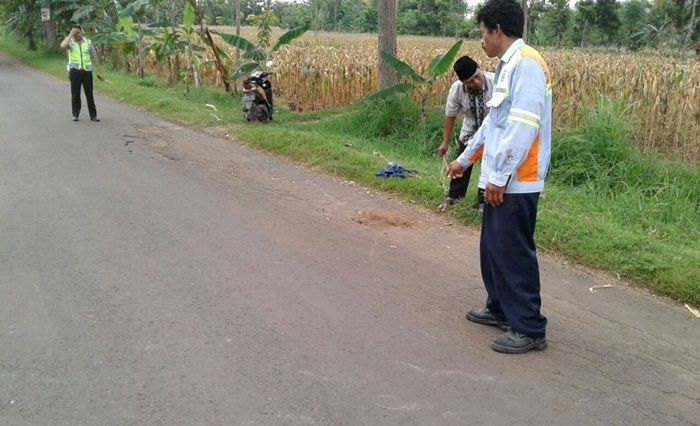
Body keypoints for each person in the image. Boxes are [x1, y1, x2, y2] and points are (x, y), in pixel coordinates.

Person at [445, 0, 552, 354]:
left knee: (513, 251)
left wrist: (501, 176)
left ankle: (529, 328)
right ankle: (499, 308)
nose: (481, 42)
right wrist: (463, 160)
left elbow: (523, 126)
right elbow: (493, 124)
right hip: (499, 175)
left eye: (482, 33)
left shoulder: (527, 65)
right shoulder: (507, 68)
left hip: (517, 180)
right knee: (493, 248)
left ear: (498, 31)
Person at [437, 56, 493, 212]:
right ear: (464, 83)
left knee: (489, 169)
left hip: (492, 133)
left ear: (479, 69)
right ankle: (454, 196)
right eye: (470, 81)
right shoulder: (456, 89)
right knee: (461, 164)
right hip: (469, 132)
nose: (475, 82)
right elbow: (450, 115)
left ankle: (484, 202)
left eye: (476, 76)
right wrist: (445, 142)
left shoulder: (495, 83)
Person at [60, 24, 104, 122]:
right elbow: (62, 45)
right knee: (75, 94)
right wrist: (71, 34)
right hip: (75, 72)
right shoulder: (70, 43)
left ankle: (93, 115)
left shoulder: (88, 43)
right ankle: (75, 114)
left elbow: (94, 58)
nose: (77, 35)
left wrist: (100, 72)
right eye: (75, 33)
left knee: (89, 94)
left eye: (78, 32)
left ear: (82, 32)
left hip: (87, 72)